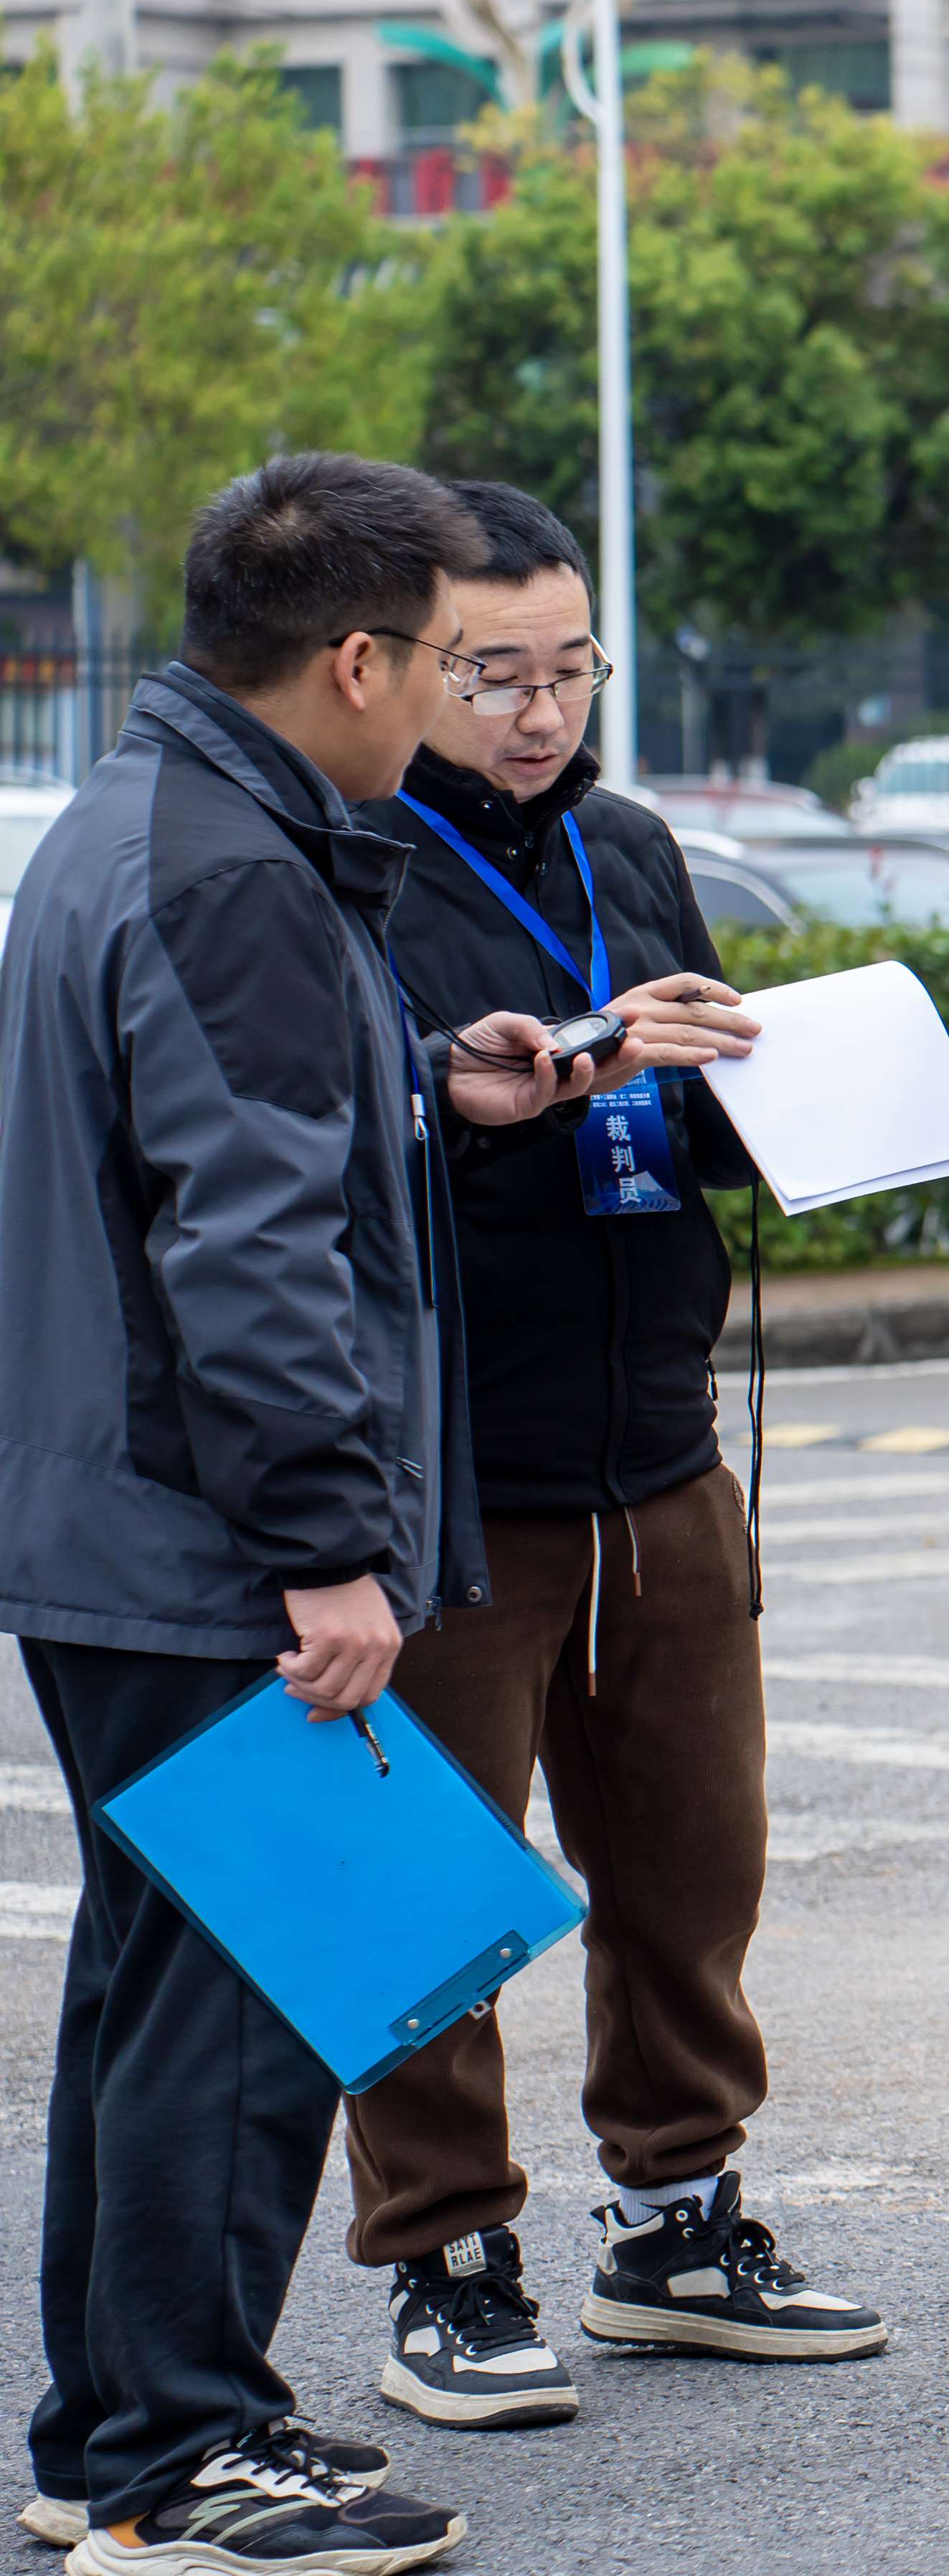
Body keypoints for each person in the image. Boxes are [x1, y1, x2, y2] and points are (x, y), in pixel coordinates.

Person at [0, 455, 605, 2575]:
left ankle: (132, 2427)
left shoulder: (162, 822)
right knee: (249, 1992)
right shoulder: (240, 868)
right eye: (445, 659)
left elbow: (247, 1148)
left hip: (138, 1527)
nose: (459, 698)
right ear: (354, 657)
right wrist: (326, 1548)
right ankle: (170, 2456)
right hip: (207, 1543)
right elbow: (245, 1252)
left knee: (184, 1987)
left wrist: (439, 1093)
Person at [342, 482, 888, 2431]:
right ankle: (444, 2256)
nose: (538, 710)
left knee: (690, 1862)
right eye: (495, 672)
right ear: (394, 665)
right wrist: (549, 1071)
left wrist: (776, 1096)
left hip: (658, 1442)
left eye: (569, 667)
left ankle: (675, 2215)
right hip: (446, 1461)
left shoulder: (634, 845)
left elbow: (697, 1080)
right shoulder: (341, 864)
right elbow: (318, 1128)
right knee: (416, 1885)